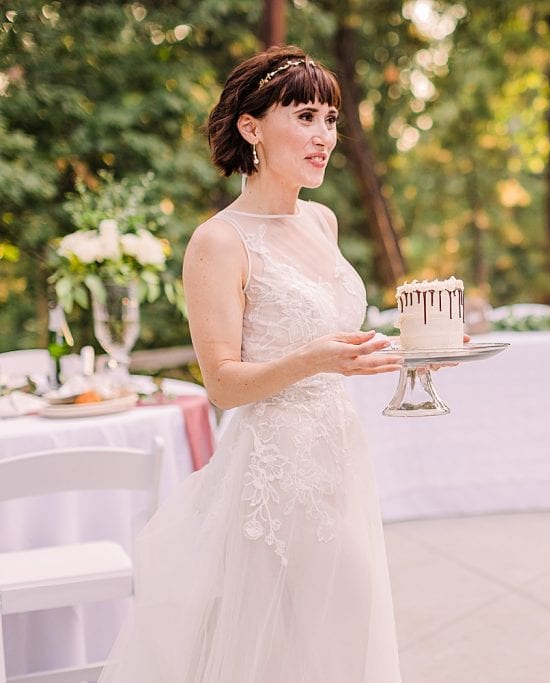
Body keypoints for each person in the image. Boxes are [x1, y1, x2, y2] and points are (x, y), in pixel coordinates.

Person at [99, 46, 406, 682]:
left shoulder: (323, 221)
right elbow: (222, 385)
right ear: (252, 127)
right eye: (304, 116)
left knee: (346, 629)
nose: (323, 136)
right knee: (282, 643)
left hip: (341, 454)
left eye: (330, 119)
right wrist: (317, 358)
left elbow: (333, 336)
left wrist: (398, 355)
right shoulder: (219, 240)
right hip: (275, 471)